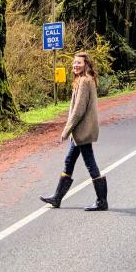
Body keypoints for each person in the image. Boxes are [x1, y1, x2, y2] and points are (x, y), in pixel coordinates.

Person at [40, 51, 108, 212]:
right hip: (80, 131)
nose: (75, 65)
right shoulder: (83, 80)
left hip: (82, 131)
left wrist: (66, 130)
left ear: (86, 65)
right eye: (74, 62)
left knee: (90, 164)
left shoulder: (85, 81)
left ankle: (102, 201)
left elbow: (78, 110)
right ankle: (57, 198)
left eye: (79, 63)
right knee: (69, 161)